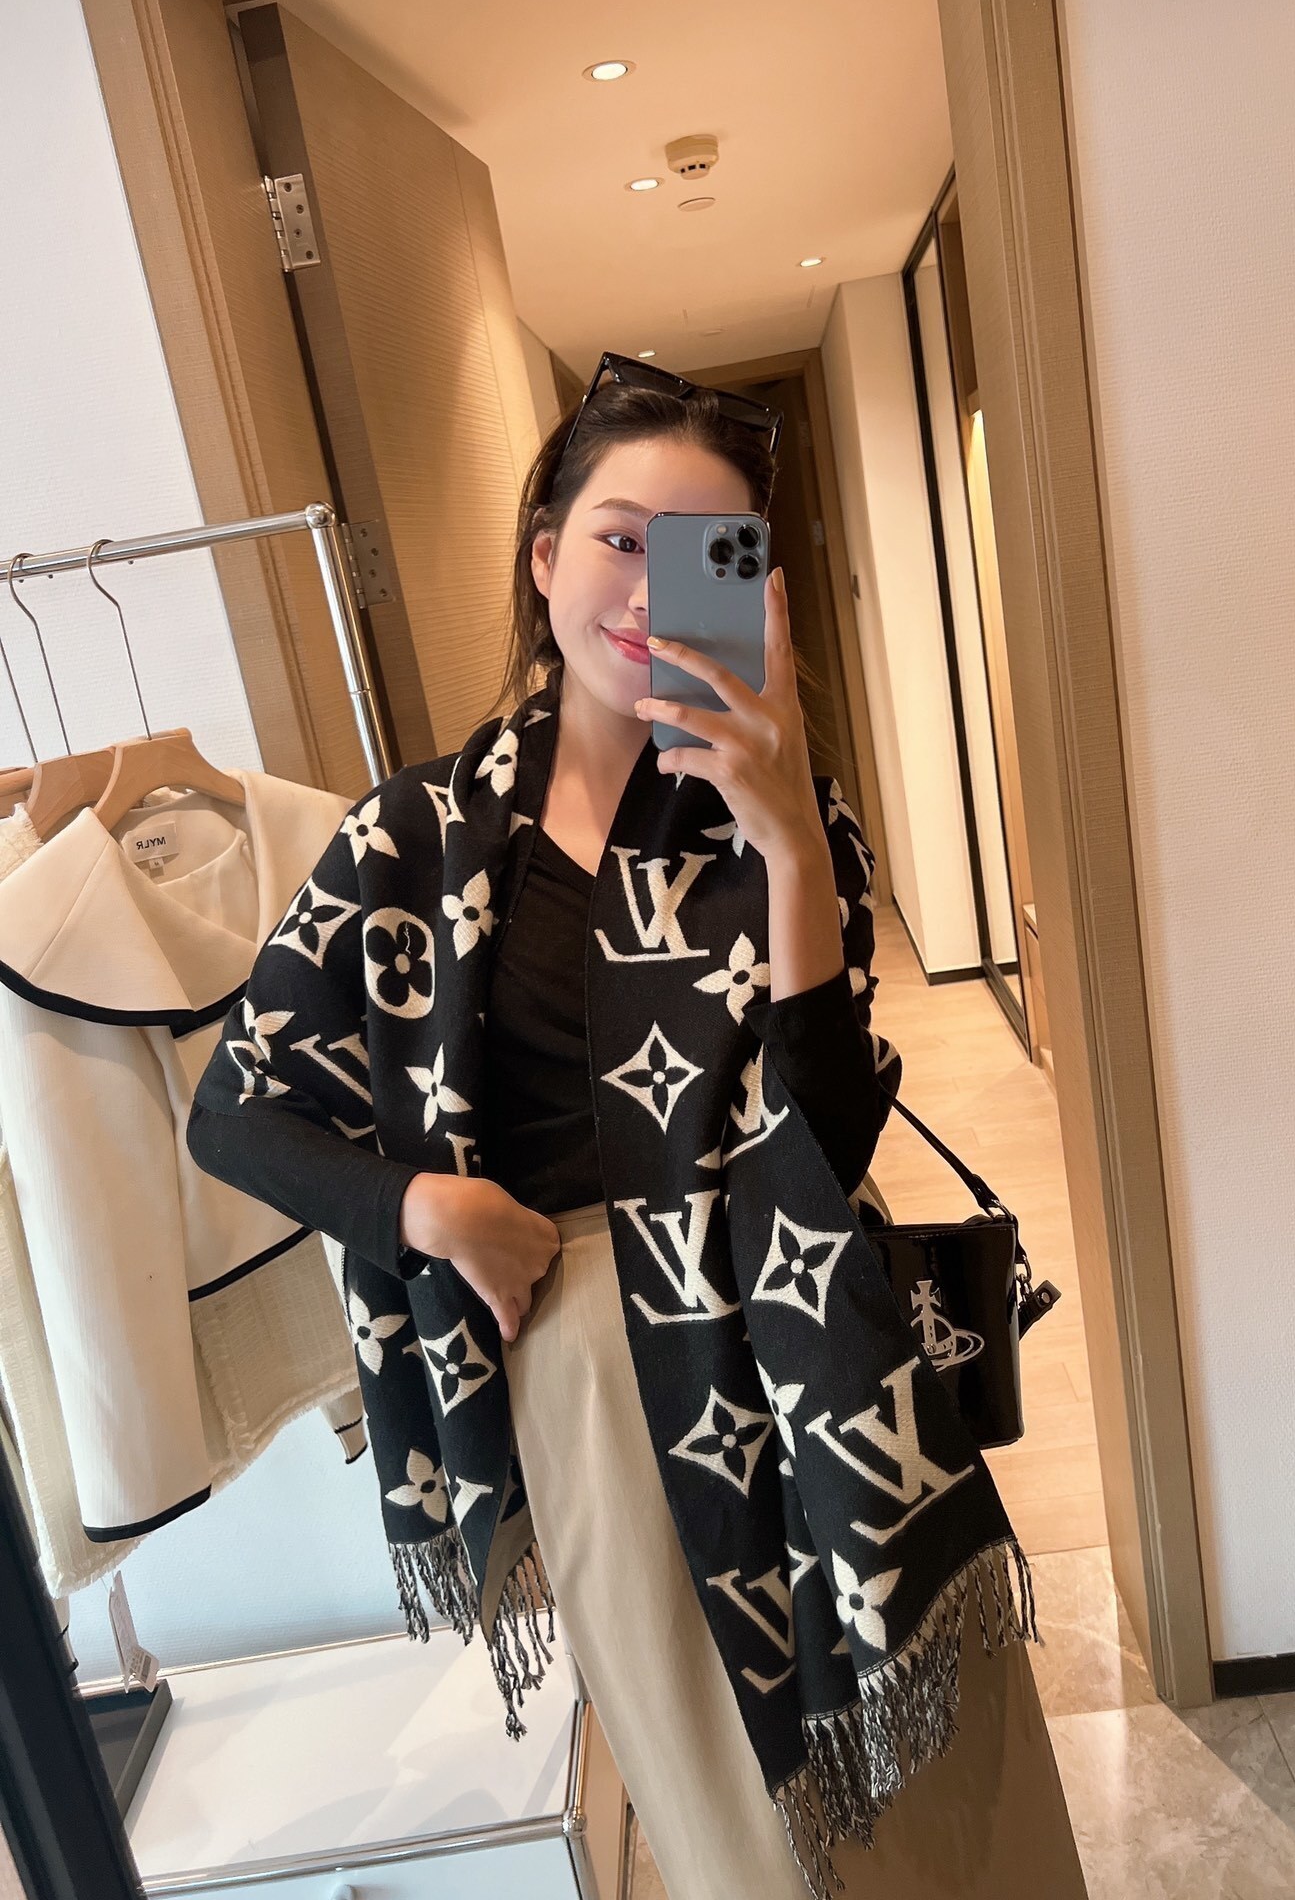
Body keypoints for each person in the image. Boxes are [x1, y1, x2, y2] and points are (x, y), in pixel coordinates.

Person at [187, 363, 1087, 1900]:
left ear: (754, 587)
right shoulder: (413, 840)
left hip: (817, 1346)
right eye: (619, 539)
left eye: (702, 552)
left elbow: (830, 1135)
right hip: (597, 1378)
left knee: (948, 1796)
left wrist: (786, 835)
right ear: (544, 555)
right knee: (736, 1816)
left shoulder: (785, 815)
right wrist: (428, 1211)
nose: (652, 592)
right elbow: (238, 1112)